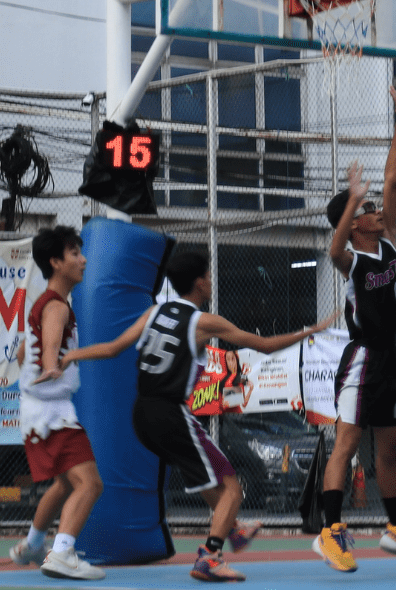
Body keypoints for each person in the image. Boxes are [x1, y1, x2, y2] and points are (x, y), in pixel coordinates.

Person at [48, 247, 332, 582]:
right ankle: (210, 557)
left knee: (205, 477)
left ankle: (234, 529)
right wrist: (308, 332)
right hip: (171, 413)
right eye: (209, 276)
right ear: (199, 283)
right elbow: (265, 345)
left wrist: (71, 356)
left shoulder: (154, 312)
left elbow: (112, 348)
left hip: (141, 415)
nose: (211, 281)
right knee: (232, 489)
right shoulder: (203, 322)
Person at [314, 87, 396, 573]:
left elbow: (392, 177)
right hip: (362, 358)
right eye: (367, 210)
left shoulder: (387, 241)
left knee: (390, 448)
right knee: (347, 444)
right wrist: (351, 202)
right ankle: (330, 531)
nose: (376, 210)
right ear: (353, 223)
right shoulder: (351, 259)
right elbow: (333, 248)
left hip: (389, 357)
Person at [9, 226, 105, 580]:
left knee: (65, 484)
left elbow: (23, 351)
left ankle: (33, 545)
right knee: (90, 484)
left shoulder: (43, 303)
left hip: (39, 412)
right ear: (55, 262)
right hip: (52, 414)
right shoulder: (56, 307)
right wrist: (51, 365)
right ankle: (62, 553)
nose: (83, 260)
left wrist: (41, 366)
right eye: (75, 254)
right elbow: (49, 346)